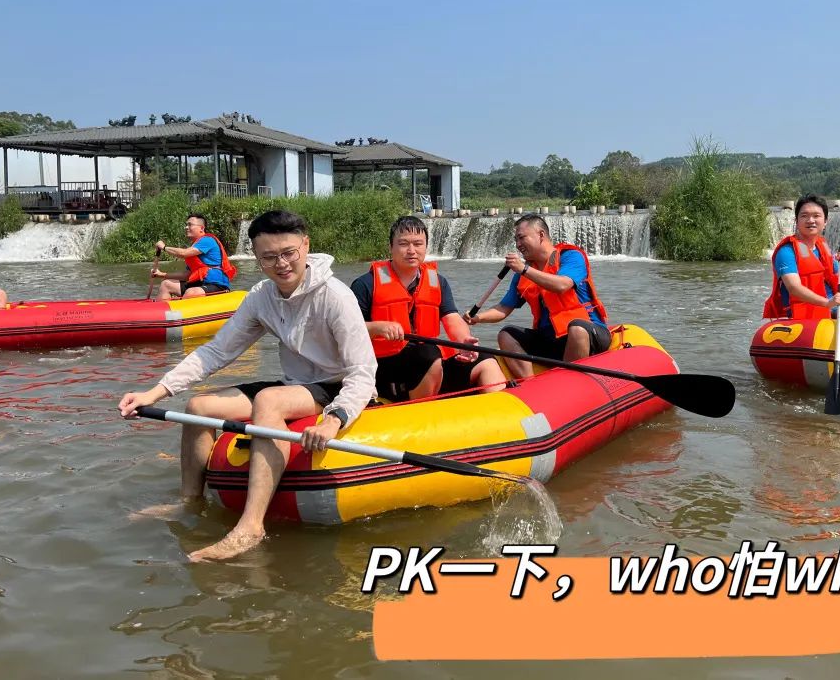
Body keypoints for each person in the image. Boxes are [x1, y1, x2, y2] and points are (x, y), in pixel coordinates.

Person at [118, 210, 377, 561]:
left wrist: (335, 418)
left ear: (305, 245)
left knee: (269, 400)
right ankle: (189, 501)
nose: (281, 264)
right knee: (199, 407)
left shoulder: (335, 296)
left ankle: (250, 527)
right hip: (295, 385)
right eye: (269, 257)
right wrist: (154, 392)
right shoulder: (261, 297)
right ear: (256, 257)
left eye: (288, 253)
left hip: (336, 385)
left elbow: (363, 372)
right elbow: (216, 352)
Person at [351, 216, 505, 401]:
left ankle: (502, 411)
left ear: (425, 247)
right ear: (391, 247)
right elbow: (348, 332)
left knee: (485, 358)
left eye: (418, 244)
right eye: (403, 244)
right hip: (386, 368)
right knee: (429, 354)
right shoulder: (366, 284)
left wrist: (465, 342)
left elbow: (452, 318)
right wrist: (378, 327)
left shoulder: (438, 282)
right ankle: (422, 409)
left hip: (429, 363)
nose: (411, 251)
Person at [466, 214, 610, 379]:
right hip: (550, 339)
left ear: (541, 235)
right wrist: (478, 317)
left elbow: (561, 285)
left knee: (577, 328)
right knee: (506, 334)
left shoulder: (570, 256)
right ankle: (530, 383)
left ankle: (568, 383)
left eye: (522, 238)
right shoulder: (523, 273)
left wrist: (524, 269)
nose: (518, 244)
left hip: (588, 334)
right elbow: (504, 308)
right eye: (516, 240)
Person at [763, 194, 840, 320]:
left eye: (816, 216)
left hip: (831, 308)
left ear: (825, 221)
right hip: (804, 314)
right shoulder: (786, 252)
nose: (810, 220)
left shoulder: (823, 248)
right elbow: (794, 288)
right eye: (804, 216)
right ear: (796, 221)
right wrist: (827, 303)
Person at [151, 213, 237, 300]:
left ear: (201, 228)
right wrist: (162, 274)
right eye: (186, 225)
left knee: (191, 292)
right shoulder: (194, 246)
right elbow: (187, 275)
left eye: (190, 225)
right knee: (166, 284)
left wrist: (164, 247)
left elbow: (183, 253)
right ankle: (162, 308)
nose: (186, 227)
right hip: (199, 284)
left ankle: (180, 307)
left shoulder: (208, 240)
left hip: (216, 284)